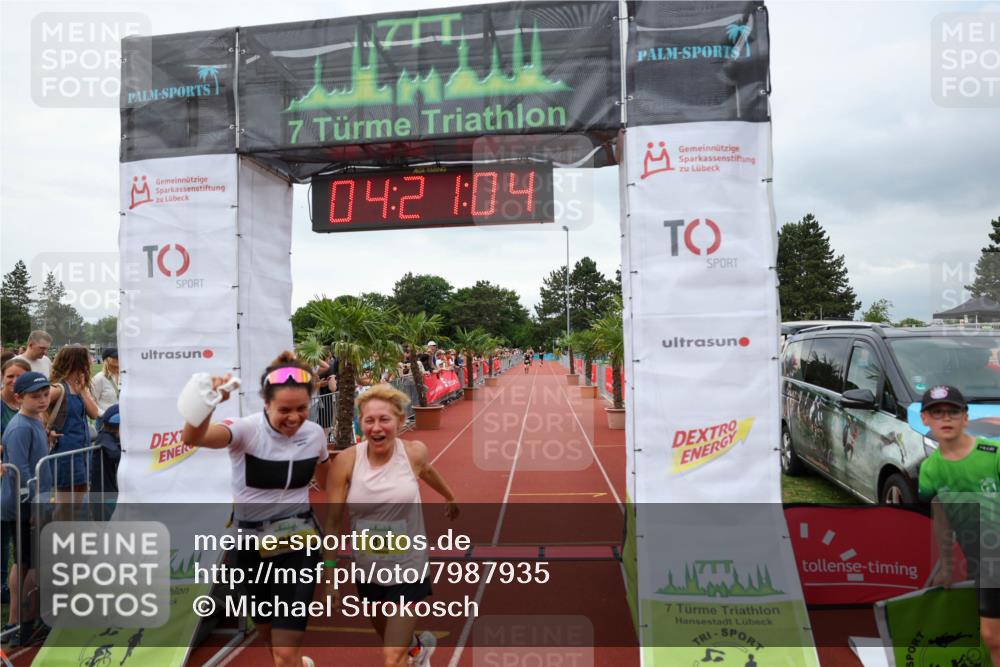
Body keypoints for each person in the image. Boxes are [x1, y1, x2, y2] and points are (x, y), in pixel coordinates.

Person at [181, 352, 329, 667]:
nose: (294, 418)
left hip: (298, 544)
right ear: (265, 402)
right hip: (248, 546)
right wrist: (208, 403)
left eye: (302, 409)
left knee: (285, 650)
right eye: (284, 410)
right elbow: (193, 437)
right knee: (266, 633)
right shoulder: (247, 430)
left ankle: (290, 660)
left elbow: (330, 481)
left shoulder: (315, 435)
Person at [326, 384, 459, 667]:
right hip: (368, 568)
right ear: (359, 423)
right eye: (369, 420)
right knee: (385, 632)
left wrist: (449, 496)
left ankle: (407, 654)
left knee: (391, 656)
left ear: (400, 421)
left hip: (409, 566)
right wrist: (330, 577)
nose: (377, 427)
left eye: (384, 419)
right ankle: (417, 650)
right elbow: (334, 521)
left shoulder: (413, 453)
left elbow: (428, 471)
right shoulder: (346, 462)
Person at [919, 385, 1000, 665]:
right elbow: (941, 515)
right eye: (937, 413)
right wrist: (947, 566)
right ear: (924, 419)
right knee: (991, 636)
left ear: (965, 418)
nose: (946, 419)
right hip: (983, 561)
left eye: (953, 412)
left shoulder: (994, 453)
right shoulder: (930, 469)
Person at [0, 372, 54, 642]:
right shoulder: (20, 427)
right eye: (36, 396)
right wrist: (34, 507)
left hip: (33, 501)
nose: (43, 400)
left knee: (27, 561)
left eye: (45, 395)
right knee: (29, 562)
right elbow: (18, 471)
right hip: (23, 505)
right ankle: (22, 622)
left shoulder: (35, 419)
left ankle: (19, 622)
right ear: (19, 397)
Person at [47, 346, 100, 516]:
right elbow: (33, 406)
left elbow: (94, 413)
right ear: (77, 363)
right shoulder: (57, 388)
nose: (90, 363)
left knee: (77, 500)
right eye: (87, 360)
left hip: (81, 450)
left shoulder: (78, 388)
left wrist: (83, 390)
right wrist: (46, 429)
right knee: (64, 504)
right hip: (65, 450)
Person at [0, 358, 30, 604]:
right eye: (9, 375)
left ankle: (6, 586)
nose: (13, 380)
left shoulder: (30, 407)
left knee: (10, 532)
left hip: (14, 479)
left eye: (18, 376)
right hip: (5, 475)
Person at [90, 404, 121, 518]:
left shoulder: (112, 437)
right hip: (103, 493)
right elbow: (115, 454)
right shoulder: (104, 437)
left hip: (109, 489)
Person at [90, 348, 120, 415]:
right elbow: (93, 401)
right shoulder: (99, 378)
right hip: (105, 421)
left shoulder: (124, 377)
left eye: (119, 356)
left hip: (123, 419)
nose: (118, 358)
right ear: (106, 360)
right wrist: (104, 415)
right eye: (115, 357)